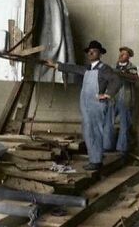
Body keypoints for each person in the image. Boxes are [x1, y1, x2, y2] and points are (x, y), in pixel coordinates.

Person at [45, 41, 122, 171]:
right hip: (86, 106)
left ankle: (96, 161)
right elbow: (73, 68)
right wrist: (56, 65)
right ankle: (95, 159)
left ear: (100, 54)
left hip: (96, 106)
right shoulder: (87, 68)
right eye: (89, 51)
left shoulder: (104, 69)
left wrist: (107, 94)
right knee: (88, 133)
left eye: (94, 51)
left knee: (94, 133)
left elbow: (116, 80)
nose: (91, 53)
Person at [105, 46, 139, 155]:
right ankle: (107, 146)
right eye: (120, 53)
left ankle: (122, 149)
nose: (121, 55)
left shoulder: (133, 68)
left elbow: (135, 78)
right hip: (113, 99)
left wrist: (120, 73)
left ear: (128, 57)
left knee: (124, 124)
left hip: (125, 99)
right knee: (108, 122)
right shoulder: (112, 67)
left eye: (124, 54)